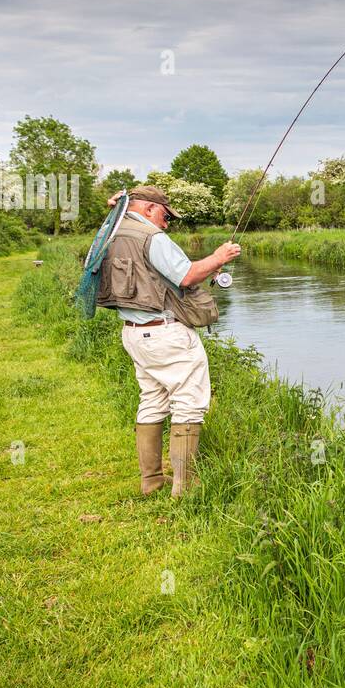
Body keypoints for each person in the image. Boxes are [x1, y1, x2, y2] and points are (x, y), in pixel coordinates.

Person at [96, 185, 241, 497]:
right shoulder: (152, 237)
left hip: (133, 332)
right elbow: (187, 276)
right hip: (165, 332)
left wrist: (115, 205)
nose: (166, 223)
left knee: (152, 400)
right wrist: (218, 257)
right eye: (164, 215)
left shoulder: (111, 232)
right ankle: (185, 487)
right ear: (149, 209)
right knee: (188, 403)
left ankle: (151, 481)